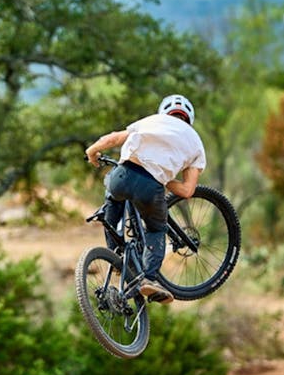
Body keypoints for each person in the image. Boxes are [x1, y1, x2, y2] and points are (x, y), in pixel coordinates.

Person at [85, 94, 206, 304]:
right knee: (156, 229)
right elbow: (187, 191)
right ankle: (148, 279)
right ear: (189, 119)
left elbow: (113, 138)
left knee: (112, 198)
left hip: (122, 176)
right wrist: (163, 177)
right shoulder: (195, 141)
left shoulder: (152, 121)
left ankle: (114, 254)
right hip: (150, 188)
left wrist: (93, 151)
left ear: (164, 112)